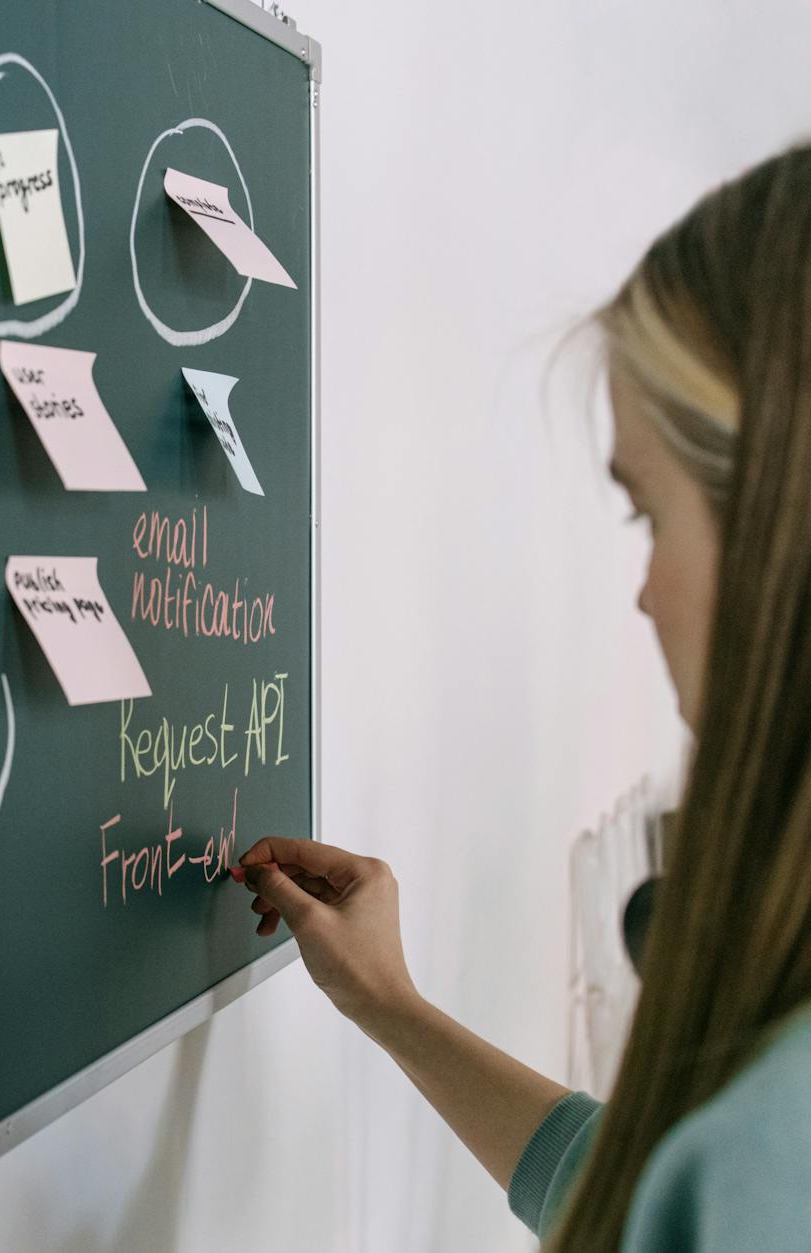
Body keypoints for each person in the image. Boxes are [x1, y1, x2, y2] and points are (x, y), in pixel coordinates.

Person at [235, 142, 811, 1251]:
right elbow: (642, 1195)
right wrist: (392, 1008)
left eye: (648, 515)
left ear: (775, 534)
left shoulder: (766, 1160)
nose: (641, 591)